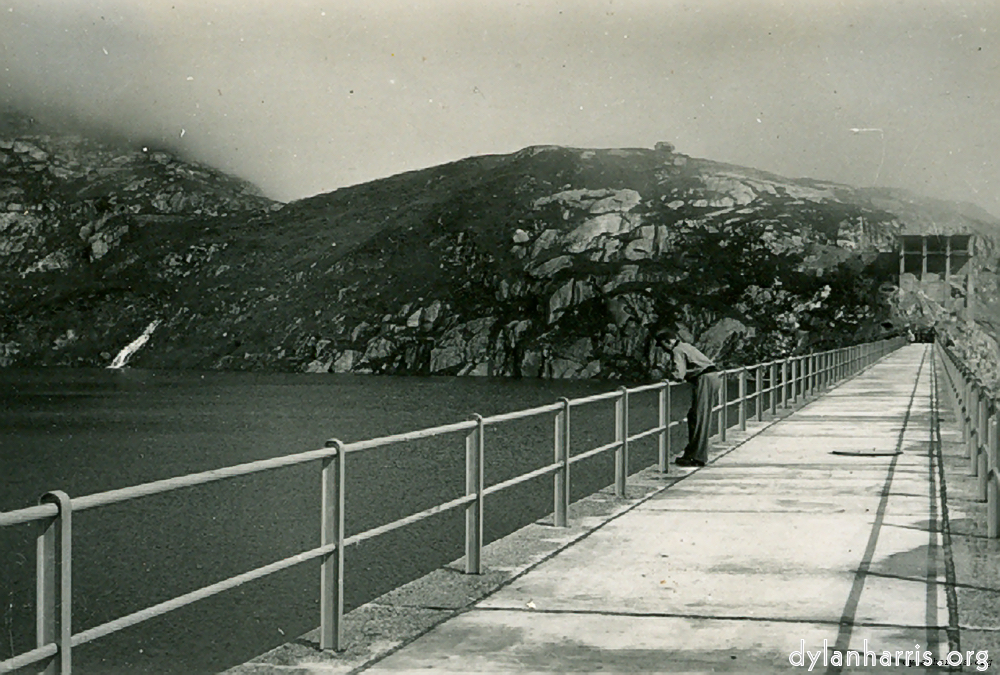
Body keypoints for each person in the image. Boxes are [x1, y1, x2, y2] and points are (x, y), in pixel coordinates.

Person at [655, 328, 722, 467]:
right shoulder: (686, 346)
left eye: (663, 346)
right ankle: (692, 453)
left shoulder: (677, 350)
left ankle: (697, 457)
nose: (664, 351)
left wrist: (666, 375)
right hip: (713, 377)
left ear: (668, 342)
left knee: (699, 418)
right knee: (695, 416)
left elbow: (679, 374)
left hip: (705, 379)